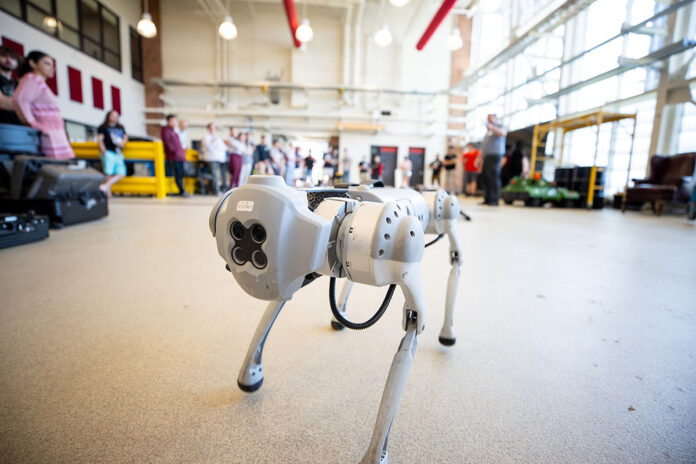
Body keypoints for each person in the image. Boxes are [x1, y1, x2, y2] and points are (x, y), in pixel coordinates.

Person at [12, 51, 74, 159]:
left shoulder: (40, 83)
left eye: (53, 65)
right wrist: (32, 123)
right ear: (33, 63)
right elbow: (20, 100)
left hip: (54, 135)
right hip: (48, 135)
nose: (52, 67)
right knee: (53, 171)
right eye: (47, 63)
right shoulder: (32, 79)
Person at [97, 110, 128, 196]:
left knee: (122, 172)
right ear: (108, 116)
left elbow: (125, 137)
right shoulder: (103, 127)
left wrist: (123, 142)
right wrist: (104, 152)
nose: (115, 118)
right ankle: (108, 194)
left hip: (118, 152)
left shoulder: (120, 127)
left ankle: (105, 185)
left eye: (116, 116)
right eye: (113, 116)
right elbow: (100, 140)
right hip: (108, 152)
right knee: (108, 173)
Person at [480, 114, 507, 206]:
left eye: (490, 118)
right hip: (487, 157)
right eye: (488, 119)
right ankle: (487, 198)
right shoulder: (488, 132)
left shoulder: (499, 126)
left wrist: (492, 127)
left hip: (495, 155)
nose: (489, 120)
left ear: (495, 118)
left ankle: (494, 199)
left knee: (493, 177)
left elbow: (503, 133)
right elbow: (484, 146)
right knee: (485, 177)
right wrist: (479, 158)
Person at [161, 114, 188, 196]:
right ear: (168, 121)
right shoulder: (166, 130)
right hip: (173, 156)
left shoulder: (174, 131)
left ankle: (182, 190)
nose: (175, 122)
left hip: (179, 156)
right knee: (177, 174)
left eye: (176, 120)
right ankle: (181, 191)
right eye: (173, 121)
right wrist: (174, 152)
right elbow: (168, 144)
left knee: (180, 174)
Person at [201, 123, 228, 193]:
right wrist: (214, 144)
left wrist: (216, 145)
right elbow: (209, 148)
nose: (213, 129)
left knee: (218, 175)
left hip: (219, 159)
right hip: (211, 159)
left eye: (214, 128)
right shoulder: (206, 137)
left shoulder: (217, 137)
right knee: (214, 175)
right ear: (208, 128)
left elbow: (224, 148)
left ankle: (215, 189)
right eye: (211, 128)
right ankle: (216, 191)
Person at [0, 46, 22, 125]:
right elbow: (2, 103)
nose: (9, 60)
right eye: (4, 56)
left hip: (20, 128)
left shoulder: (20, 84)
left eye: (13, 58)